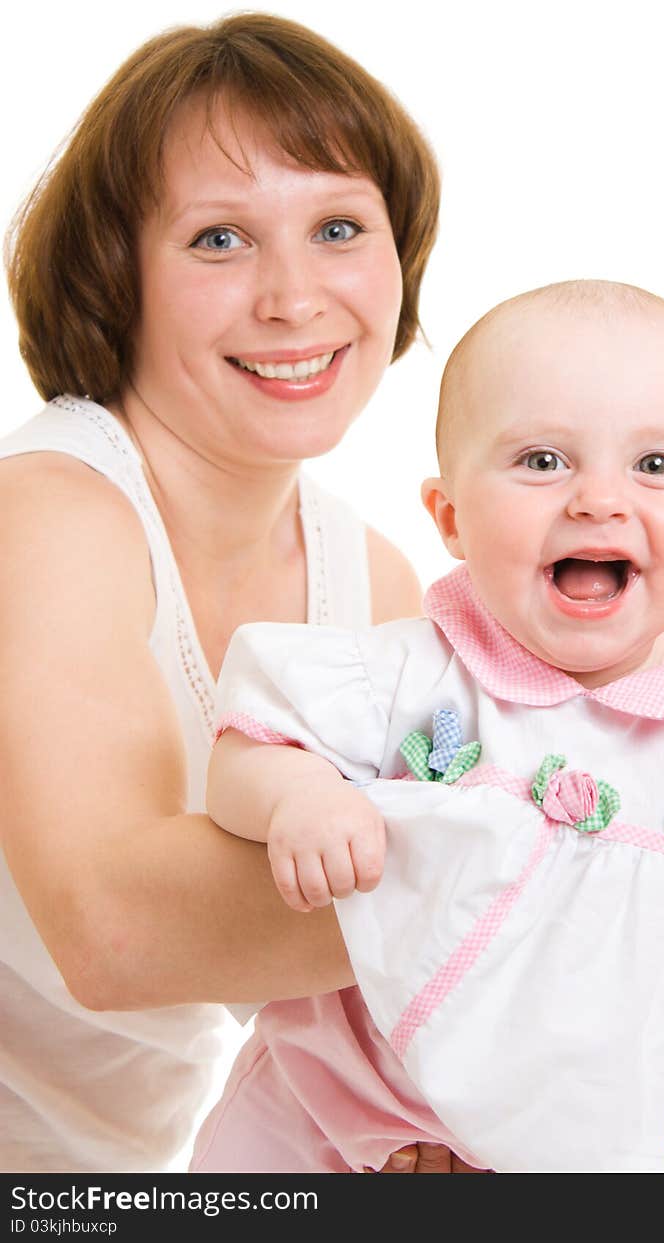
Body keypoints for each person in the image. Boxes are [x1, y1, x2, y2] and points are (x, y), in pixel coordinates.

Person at [194, 280, 664, 1173]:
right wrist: (301, 799)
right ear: (449, 517)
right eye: (544, 461)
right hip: (357, 1115)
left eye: (658, 466)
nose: (598, 499)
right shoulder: (416, 671)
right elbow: (251, 740)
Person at [0, 12, 478, 1174]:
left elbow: (335, 970)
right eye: (220, 238)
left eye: (336, 228)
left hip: (123, 1175)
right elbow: (113, 933)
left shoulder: (368, 579)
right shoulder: (49, 514)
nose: (294, 297)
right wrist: (554, 869)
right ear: (121, 277)